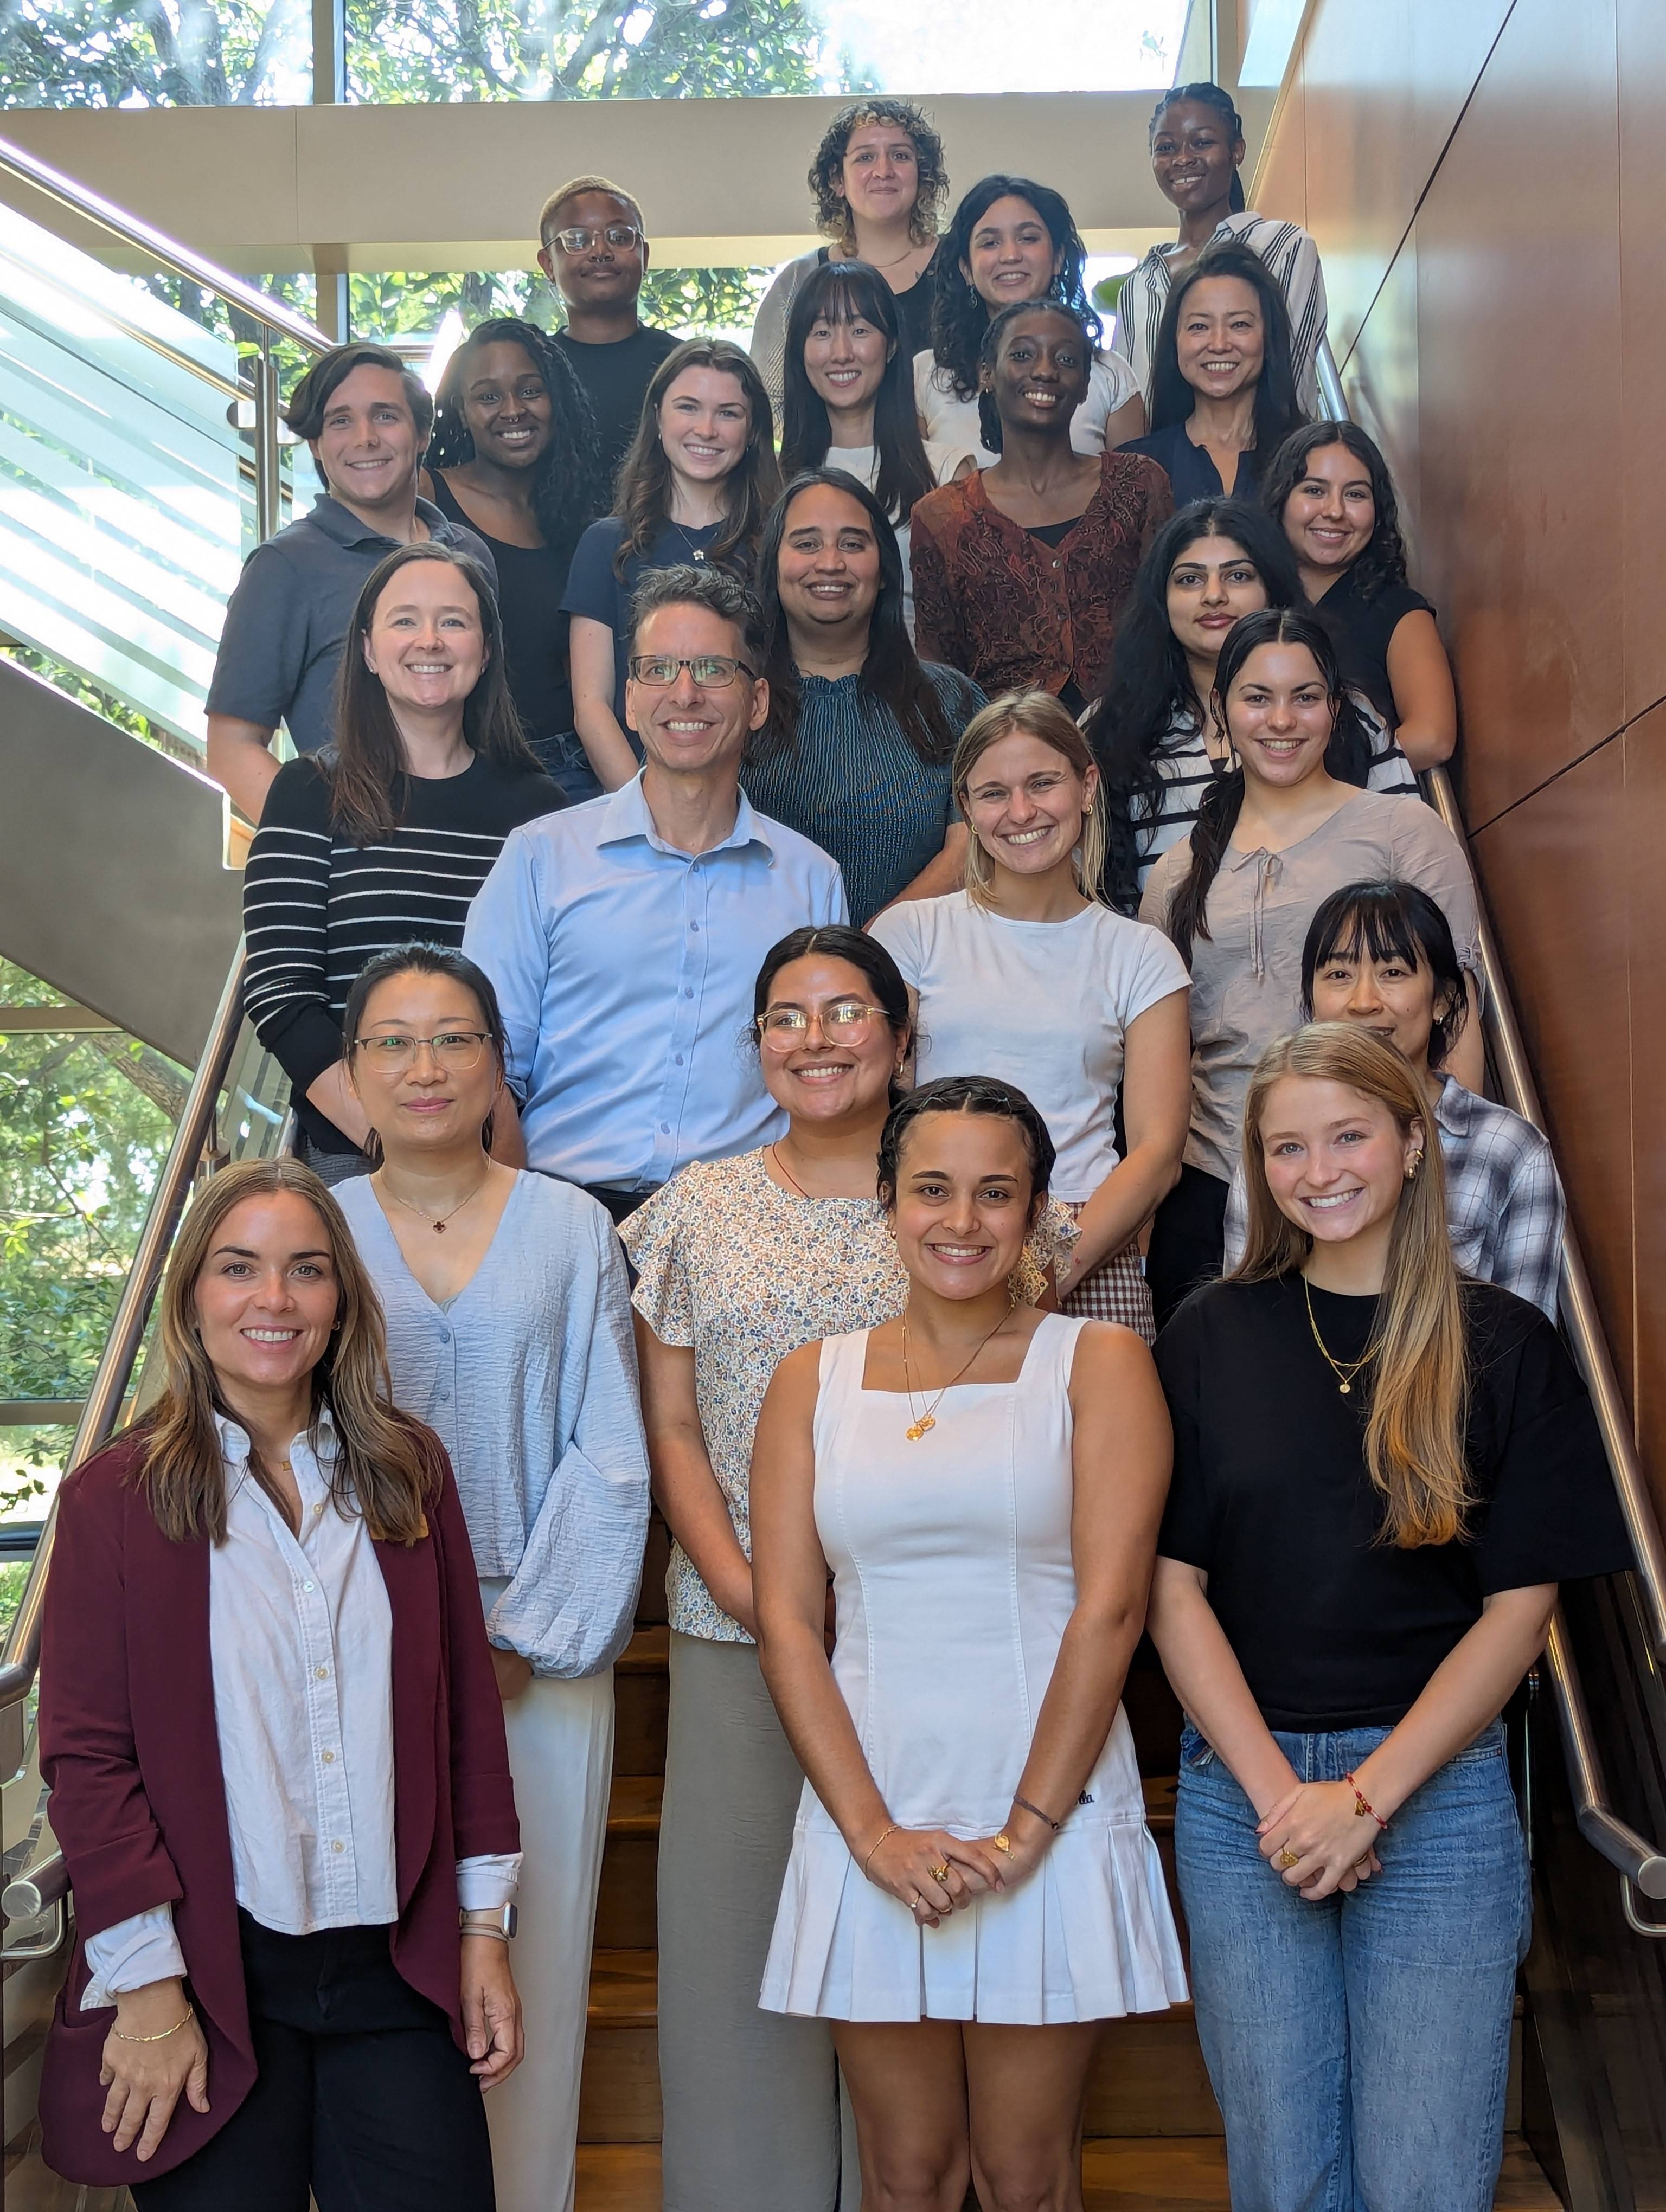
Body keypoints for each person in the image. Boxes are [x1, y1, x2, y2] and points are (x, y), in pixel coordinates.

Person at [623, 932, 1075, 2212]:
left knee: (915, 1957)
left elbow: (1028, 1404)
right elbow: (671, 1425)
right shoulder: (697, 1207)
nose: (815, 1038)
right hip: (739, 1629)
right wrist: (760, 1595)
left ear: (900, 1032)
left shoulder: (964, 1197)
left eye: (845, 1011)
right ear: (756, 1042)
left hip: (937, 1640)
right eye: (785, 1015)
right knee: (740, 1964)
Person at [1148, 1022, 1630, 2212]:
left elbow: (1520, 1611)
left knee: (1423, 2180)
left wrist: (1363, 1800)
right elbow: (1171, 1588)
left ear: (1414, 1144)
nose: (1319, 1172)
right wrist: (1286, 1801)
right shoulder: (1208, 1334)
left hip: (1438, 1798)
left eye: (1349, 1136)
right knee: (1283, 2179)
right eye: (1286, 1148)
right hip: (1245, 1796)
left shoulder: (1504, 1343)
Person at [37, 1158, 522, 2206]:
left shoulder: (410, 1471)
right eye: (238, 1268)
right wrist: (149, 1990)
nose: (275, 1299)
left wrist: (482, 1934)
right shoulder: (114, 1499)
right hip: (208, 1977)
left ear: (340, 1300)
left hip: (395, 1968)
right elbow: (88, 1760)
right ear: (191, 1298)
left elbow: (467, 1728)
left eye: (307, 1269)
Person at [751, 1076, 1187, 2211]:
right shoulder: (810, 1380)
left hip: (1045, 1808)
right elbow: (789, 1622)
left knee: (1025, 2178)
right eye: (932, 1189)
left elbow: (1111, 1612)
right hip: (871, 1808)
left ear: (1039, 1212)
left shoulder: (1099, 1363)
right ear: (887, 1201)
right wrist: (872, 1833)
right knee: (907, 2177)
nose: (962, 1220)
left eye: (997, 1193)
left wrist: (1027, 1830)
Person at [334, 946, 649, 2212]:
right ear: (353, 1069)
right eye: (394, 1040)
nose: (426, 1066)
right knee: (368, 1964)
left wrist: (520, 1635)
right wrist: (399, 1637)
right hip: (348, 1651)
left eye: (455, 1037)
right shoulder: (313, 1228)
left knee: (537, 1964)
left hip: (539, 1651)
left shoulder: (570, 1226)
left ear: (497, 1063)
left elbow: (612, 1453)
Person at [463, 565, 847, 1220]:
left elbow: (824, 1076)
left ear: (757, 702)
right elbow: (485, 1060)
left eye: (713, 670)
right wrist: (515, 1226)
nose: (685, 694)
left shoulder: (811, 881)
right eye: (659, 670)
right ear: (631, 701)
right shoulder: (541, 858)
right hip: (561, 1210)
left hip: (739, 1227)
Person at [1138, 608, 1482, 1327]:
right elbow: (1162, 1060)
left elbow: (1456, 1018)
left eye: (1305, 697)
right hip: (1213, 1180)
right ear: (1222, 712)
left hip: (1361, 1177)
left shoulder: (1402, 833)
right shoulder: (1175, 874)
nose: (1281, 720)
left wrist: (1434, 1175)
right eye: (1257, 697)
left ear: (1335, 709)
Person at [871, 691, 1190, 1342]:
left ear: (1087, 787)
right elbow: (871, 1104)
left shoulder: (1139, 953)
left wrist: (1052, 1271)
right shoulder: (911, 935)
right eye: (994, 793)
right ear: (967, 808)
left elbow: (1159, 1151)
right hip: (940, 1231)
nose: (1021, 812)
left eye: (1042, 783)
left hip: (1086, 1238)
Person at [241, 544, 563, 1186]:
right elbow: (280, 991)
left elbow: (552, 999)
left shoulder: (540, 810)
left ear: (486, 649)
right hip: (353, 1154)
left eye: (453, 621)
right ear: (368, 649)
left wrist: (488, 1147)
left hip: (499, 1153)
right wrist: (394, 1140)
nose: (430, 640)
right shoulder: (309, 791)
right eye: (405, 620)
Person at [1222, 882, 1565, 1316]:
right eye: (1339, 975)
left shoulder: (1507, 1148)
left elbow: (1525, 1340)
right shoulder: (1282, 1141)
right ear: (1311, 1000)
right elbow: (1243, 1318)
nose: (1364, 1002)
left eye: (1393, 973)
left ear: (1442, 999)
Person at [206, 343, 496, 825]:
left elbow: (489, 714)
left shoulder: (470, 555)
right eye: (340, 421)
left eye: (385, 416)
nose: (365, 438)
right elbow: (232, 747)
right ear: (315, 444)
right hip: (356, 850)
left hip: (474, 842)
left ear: (422, 433)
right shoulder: (284, 566)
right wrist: (317, 843)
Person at [1084, 500, 1418, 911]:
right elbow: (1096, 898)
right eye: (1190, 579)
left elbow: (1408, 856)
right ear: (1162, 599)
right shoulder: (1111, 728)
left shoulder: (1346, 713)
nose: (1214, 596)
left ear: (1272, 590)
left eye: (1238, 576)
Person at [744, 468, 984, 922]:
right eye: (807, 543)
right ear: (773, 566)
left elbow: (972, 845)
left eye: (853, 544)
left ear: (885, 570)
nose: (830, 563)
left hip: (918, 958)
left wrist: (868, 949)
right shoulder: (730, 698)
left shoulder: (953, 701)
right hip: (755, 961)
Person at [911, 303, 1172, 711]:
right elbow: (940, 672)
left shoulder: (1138, 484)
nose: (1045, 371)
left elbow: (1168, 625)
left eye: (1066, 360)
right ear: (987, 374)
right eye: (1022, 355)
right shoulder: (943, 516)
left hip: (1135, 734)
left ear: (1085, 384)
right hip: (1002, 742)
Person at [562, 339, 781, 796]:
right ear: (658, 418)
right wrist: (646, 813)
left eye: (728, 413)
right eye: (688, 407)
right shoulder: (605, 544)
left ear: (752, 430)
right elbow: (592, 707)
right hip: (635, 795)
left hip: (766, 793)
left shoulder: (782, 544)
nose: (706, 429)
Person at [423, 318, 603, 780]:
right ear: (462, 411)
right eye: (488, 397)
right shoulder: (426, 496)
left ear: (556, 400)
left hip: (573, 763)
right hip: (466, 764)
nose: (512, 410)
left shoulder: (581, 513)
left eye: (530, 391)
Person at [777, 256, 977, 629]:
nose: (841, 353)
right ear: (800, 351)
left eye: (860, 330)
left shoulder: (948, 472)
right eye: (821, 333)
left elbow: (974, 613)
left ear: (892, 346)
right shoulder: (775, 479)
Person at [1112, 81, 1329, 415]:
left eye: (1202, 143)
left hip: (1265, 445)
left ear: (1236, 151)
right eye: (1166, 148)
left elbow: (1293, 374)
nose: (1183, 159)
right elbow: (1130, 401)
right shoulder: (1139, 284)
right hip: (1160, 448)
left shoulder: (1283, 246)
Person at [1262, 419, 1458, 768]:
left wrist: (1314, 776)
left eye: (1355, 494)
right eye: (1314, 490)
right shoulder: (1248, 599)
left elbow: (1432, 739)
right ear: (1281, 499)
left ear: (1378, 511)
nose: (1334, 511)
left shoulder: (1400, 613)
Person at [918, 173, 1145, 464]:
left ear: (1058, 258)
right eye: (990, 243)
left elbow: (1134, 486)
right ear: (966, 269)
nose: (1010, 255)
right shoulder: (926, 375)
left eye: (1028, 239)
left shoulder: (1110, 374)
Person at [750, 99, 949, 421]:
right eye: (865, 158)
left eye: (900, 156)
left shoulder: (962, 267)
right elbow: (766, 403)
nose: (884, 171)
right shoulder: (799, 281)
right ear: (837, 180)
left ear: (922, 175)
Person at [1117, 241, 1309, 507]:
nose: (1219, 344)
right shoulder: (1133, 469)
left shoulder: (1311, 459)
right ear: (1175, 342)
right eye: (1199, 326)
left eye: (1239, 324)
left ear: (1269, 338)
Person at [536, 175, 681, 498]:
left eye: (619, 237)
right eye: (577, 240)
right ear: (548, 264)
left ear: (644, 256)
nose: (600, 251)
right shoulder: (532, 367)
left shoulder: (682, 365)